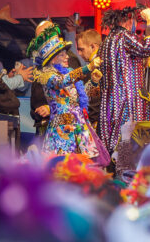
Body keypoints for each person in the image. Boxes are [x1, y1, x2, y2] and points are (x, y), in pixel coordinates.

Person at [30, 25, 107, 163]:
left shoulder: (69, 72)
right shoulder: (47, 76)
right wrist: (88, 67)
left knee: (84, 169)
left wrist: (94, 83)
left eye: (65, 53)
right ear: (52, 59)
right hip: (62, 132)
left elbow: (81, 97)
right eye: (62, 54)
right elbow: (61, 82)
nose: (67, 57)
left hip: (79, 127)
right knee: (62, 169)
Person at [99, 0, 150, 155]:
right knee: (128, 153)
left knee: (116, 151)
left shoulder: (108, 40)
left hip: (111, 105)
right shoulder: (124, 37)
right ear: (129, 18)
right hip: (126, 104)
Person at [75, 29, 103, 128]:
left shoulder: (98, 66)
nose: (79, 53)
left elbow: (96, 100)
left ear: (93, 47)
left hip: (98, 124)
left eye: (81, 49)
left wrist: (91, 123)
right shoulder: (98, 64)